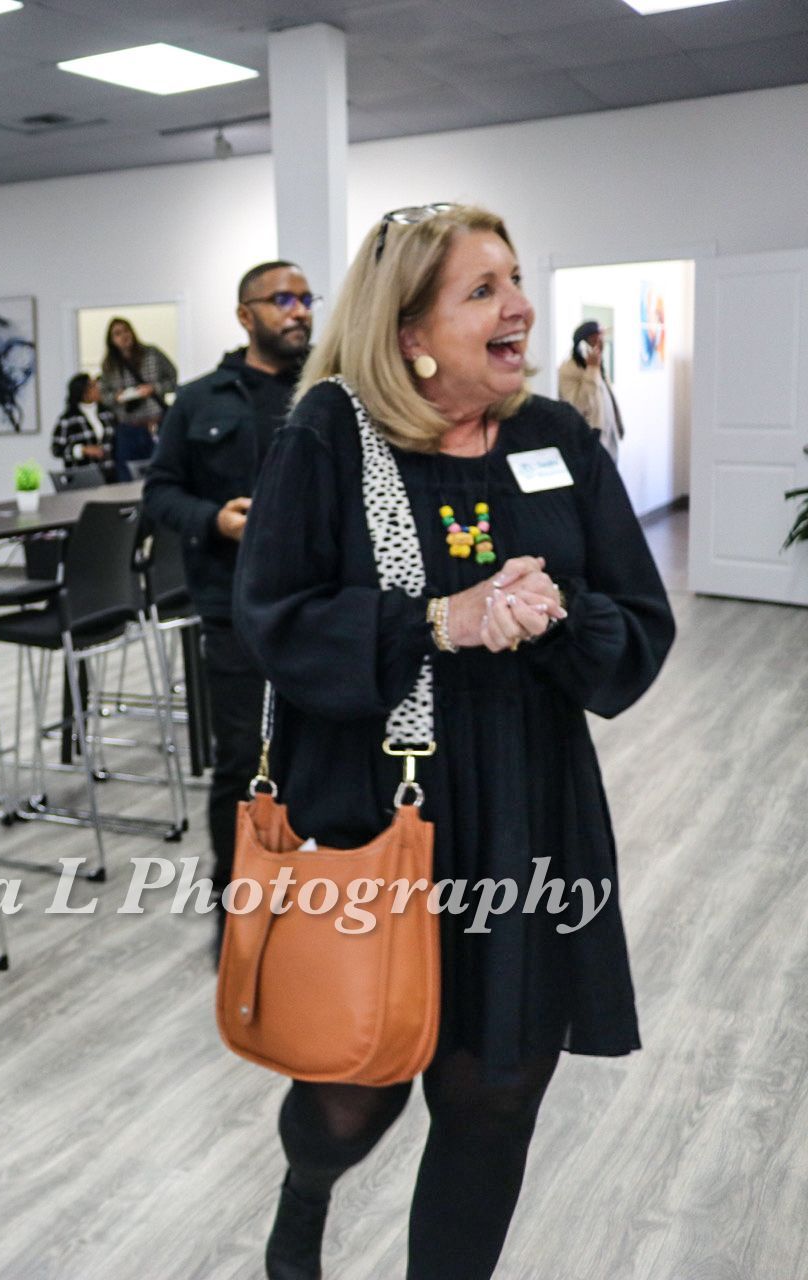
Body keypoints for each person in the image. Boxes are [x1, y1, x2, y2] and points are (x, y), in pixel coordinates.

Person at [235, 205, 674, 1280]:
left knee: (494, 1093)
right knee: (350, 1091)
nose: (520, 306)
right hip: (375, 801)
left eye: (514, 279)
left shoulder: (556, 439)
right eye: (483, 289)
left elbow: (640, 621)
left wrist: (558, 607)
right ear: (411, 327)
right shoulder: (330, 435)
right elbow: (276, 617)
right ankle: (305, 1206)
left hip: (526, 806)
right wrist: (441, 617)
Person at [141, 261, 314, 951]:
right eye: (282, 300)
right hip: (235, 608)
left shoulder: (330, 394)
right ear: (246, 315)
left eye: (305, 299)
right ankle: (237, 913)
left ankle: (314, 899)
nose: (298, 311)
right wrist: (216, 519)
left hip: (320, 610)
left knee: (318, 755)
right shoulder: (199, 400)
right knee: (244, 759)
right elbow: (159, 494)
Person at [98, 317, 178, 476]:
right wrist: (117, 396)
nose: (124, 336)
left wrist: (153, 388)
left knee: (164, 471)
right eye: (117, 334)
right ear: (112, 340)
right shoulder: (109, 365)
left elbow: (173, 379)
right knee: (128, 473)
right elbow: (103, 396)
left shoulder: (152, 354)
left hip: (156, 423)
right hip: (128, 428)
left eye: (126, 331)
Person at [557, 320, 624, 461]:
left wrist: (618, 426)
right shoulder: (568, 370)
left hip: (609, 440)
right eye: (595, 339)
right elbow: (578, 406)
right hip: (590, 444)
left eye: (601, 339)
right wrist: (591, 370)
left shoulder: (599, 367)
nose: (600, 344)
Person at [51, 372, 116, 479]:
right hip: (83, 476)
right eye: (93, 386)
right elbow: (56, 449)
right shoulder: (68, 419)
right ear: (83, 392)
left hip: (110, 473)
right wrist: (82, 450)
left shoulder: (108, 414)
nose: (98, 388)